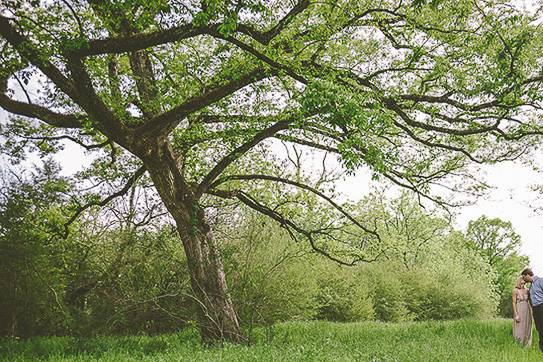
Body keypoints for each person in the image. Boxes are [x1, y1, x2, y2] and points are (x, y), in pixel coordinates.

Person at [522, 267, 543, 352]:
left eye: (524, 276)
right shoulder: (530, 287)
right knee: (539, 329)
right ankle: (541, 349)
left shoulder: (540, 281)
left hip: (542, 307)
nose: (523, 279)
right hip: (536, 310)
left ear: (528, 275)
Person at [512, 276, 532, 346]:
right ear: (518, 282)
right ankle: (518, 343)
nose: (522, 285)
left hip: (527, 309)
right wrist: (516, 315)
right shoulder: (515, 290)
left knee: (527, 325)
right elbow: (514, 303)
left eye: (524, 283)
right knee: (519, 326)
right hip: (519, 309)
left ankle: (527, 344)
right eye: (521, 283)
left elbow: (530, 301)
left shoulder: (527, 290)